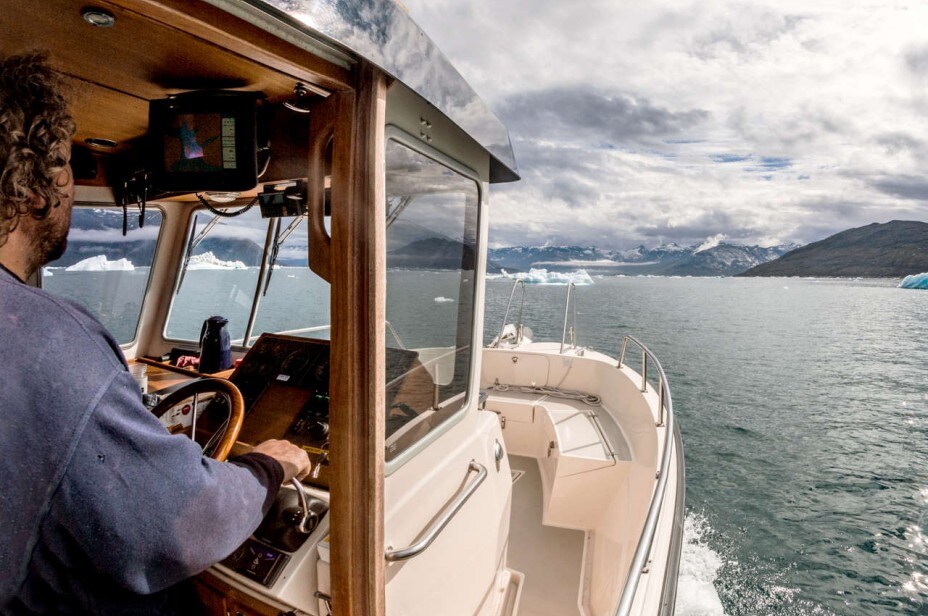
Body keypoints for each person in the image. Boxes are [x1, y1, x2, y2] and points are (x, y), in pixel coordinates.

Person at [0, 53, 312, 614]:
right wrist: (269, 466)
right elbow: (182, 524)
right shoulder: (53, 343)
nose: (71, 185)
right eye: (67, 168)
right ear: (37, 189)